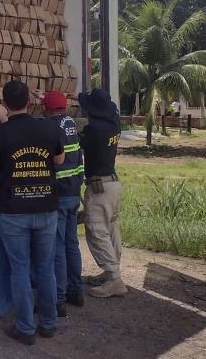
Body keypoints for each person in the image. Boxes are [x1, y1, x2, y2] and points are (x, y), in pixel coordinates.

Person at [0, 80, 65, 346]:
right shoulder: (50, 128)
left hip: (13, 212)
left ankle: (26, 328)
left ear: (4, 104)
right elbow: (59, 160)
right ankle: (49, 323)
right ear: (30, 102)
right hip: (47, 209)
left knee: (19, 268)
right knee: (45, 267)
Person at [78, 89, 127, 298]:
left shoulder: (93, 131)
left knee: (97, 230)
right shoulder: (114, 124)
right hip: (113, 185)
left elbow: (75, 141)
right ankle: (110, 273)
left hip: (99, 188)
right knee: (110, 228)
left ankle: (114, 279)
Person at [42, 91, 85, 316]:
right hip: (74, 191)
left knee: (56, 248)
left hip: (58, 194)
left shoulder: (49, 127)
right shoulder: (70, 124)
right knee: (72, 244)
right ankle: (76, 292)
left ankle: (57, 299)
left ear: (47, 109)